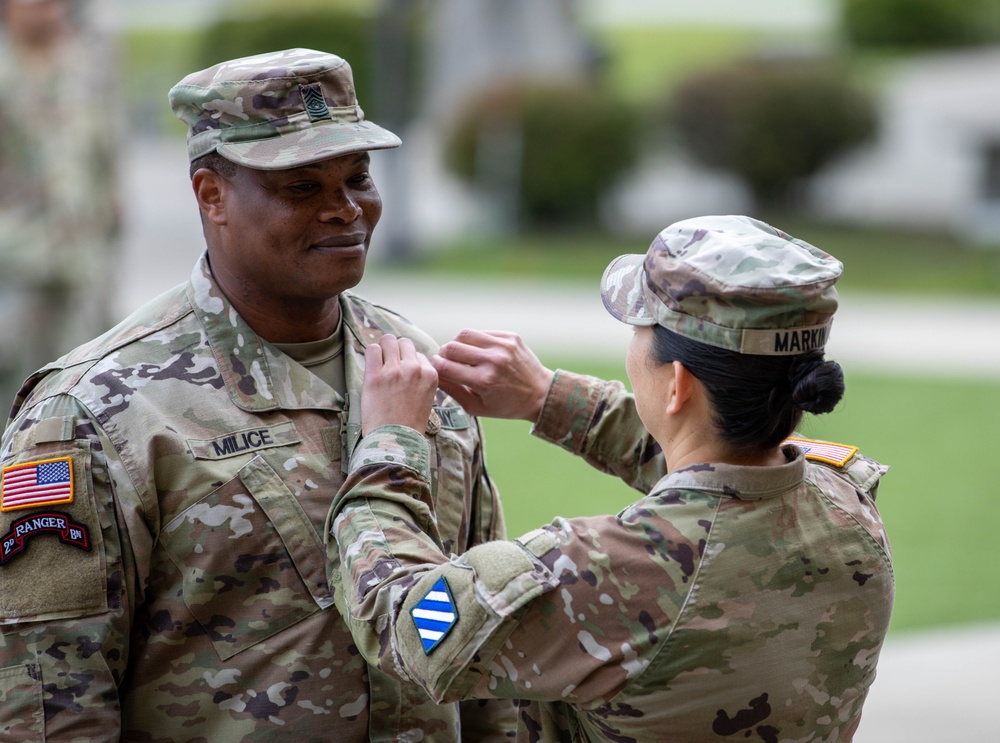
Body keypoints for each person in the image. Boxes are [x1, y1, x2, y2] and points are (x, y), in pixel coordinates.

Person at [0, 48, 516, 740]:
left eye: (358, 176)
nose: (344, 209)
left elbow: (487, 648)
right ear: (211, 195)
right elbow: (49, 704)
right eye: (301, 187)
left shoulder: (418, 371)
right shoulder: (94, 411)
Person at [329, 215, 895, 742]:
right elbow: (714, 469)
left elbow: (403, 621)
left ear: (676, 383)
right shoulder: (848, 503)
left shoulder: (595, 574)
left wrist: (389, 443)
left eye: (641, 330)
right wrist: (547, 398)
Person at [0, 0, 121, 411]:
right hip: (12, 251)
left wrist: (113, 207)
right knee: (10, 370)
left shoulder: (87, 60)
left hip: (80, 247)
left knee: (80, 370)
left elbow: (106, 141)